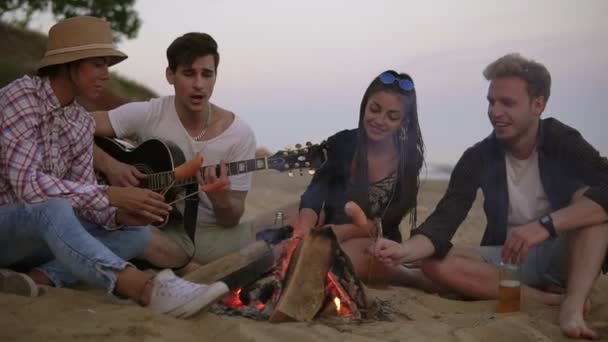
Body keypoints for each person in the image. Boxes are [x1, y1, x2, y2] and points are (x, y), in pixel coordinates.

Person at [0, 16, 228, 318]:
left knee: (137, 234)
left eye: (107, 65)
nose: (106, 75)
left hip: (42, 240)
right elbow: (28, 188)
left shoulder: (80, 122)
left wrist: (121, 214)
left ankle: (35, 280)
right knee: (53, 208)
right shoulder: (21, 98)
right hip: (8, 228)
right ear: (70, 64)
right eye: (98, 64)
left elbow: (86, 199)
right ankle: (144, 289)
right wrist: (111, 195)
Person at [374, 53, 608, 340]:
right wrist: (404, 251)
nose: (495, 111)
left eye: (507, 103)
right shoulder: (478, 157)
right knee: (433, 262)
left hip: (566, 255)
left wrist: (543, 226)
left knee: (591, 200)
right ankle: (550, 300)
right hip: (509, 257)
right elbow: (444, 220)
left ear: (538, 104)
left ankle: (573, 304)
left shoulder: (563, 141)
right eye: (491, 101)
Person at [93, 32, 257, 270]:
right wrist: (110, 165)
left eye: (207, 74)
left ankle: (189, 269)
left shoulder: (239, 134)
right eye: (189, 73)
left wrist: (221, 201)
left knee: (289, 222)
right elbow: (71, 126)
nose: (199, 84)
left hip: (207, 234)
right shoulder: (150, 113)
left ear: (215, 77)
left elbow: (231, 219)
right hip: (148, 223)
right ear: (170, 75)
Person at [294, 70, 436, 290]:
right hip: (328, 229)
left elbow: (389, 220)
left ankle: (413, 278)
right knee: (291, 250)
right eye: (374, 109)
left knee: (339, 261)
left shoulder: (409, 159)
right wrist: (303, 229)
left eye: (392, 116)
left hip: (376, 241)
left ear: (404, 122)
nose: (379, 120)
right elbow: (315, 194)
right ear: (364, 106)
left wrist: (342, 232)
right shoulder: (343, 142)